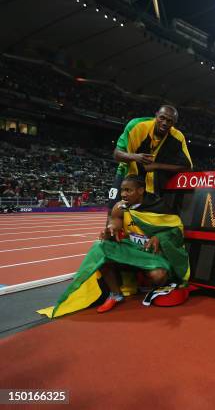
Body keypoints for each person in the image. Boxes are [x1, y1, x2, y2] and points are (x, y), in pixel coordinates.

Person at [40, 175, 190, 317]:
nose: (123, 194)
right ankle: (115, 294)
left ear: (140, 190)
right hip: (132, 249)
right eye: (122, 190)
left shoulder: (158, 206)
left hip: (151, 253)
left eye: (128, 190)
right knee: (102, 248)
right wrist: (110, 229)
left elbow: (176, 230)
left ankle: (155, 284)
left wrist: (159, 236)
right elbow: (115, 223)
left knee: (158, 276)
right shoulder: (120, 207)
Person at [107, 105, 193, 210]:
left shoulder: (178, 137)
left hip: (151, 181)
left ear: (174, 123)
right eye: (162, 118)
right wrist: (135, 157)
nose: (165, 123)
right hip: (126, 173)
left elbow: (188, 167)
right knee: (114, 212)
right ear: (156, 116)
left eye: (169, 121)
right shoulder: (137, 126)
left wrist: (156, 166)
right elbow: (116, 154)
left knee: (140, 217)